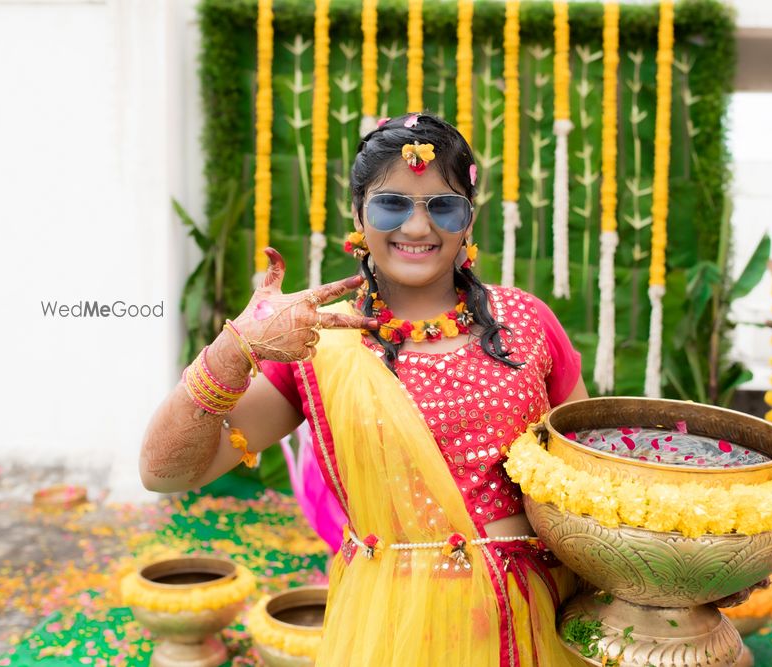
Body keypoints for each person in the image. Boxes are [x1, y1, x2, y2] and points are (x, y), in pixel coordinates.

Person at [140, 113, 589, 666]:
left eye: (442, 205)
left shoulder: (527, 320)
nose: (418, 228)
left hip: (535, 620)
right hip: (394, 630)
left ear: (469, 219)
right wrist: (233, 351)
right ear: (357, 215)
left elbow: (590, 478)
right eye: (392, 204)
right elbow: (164, 473)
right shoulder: (315, 343)